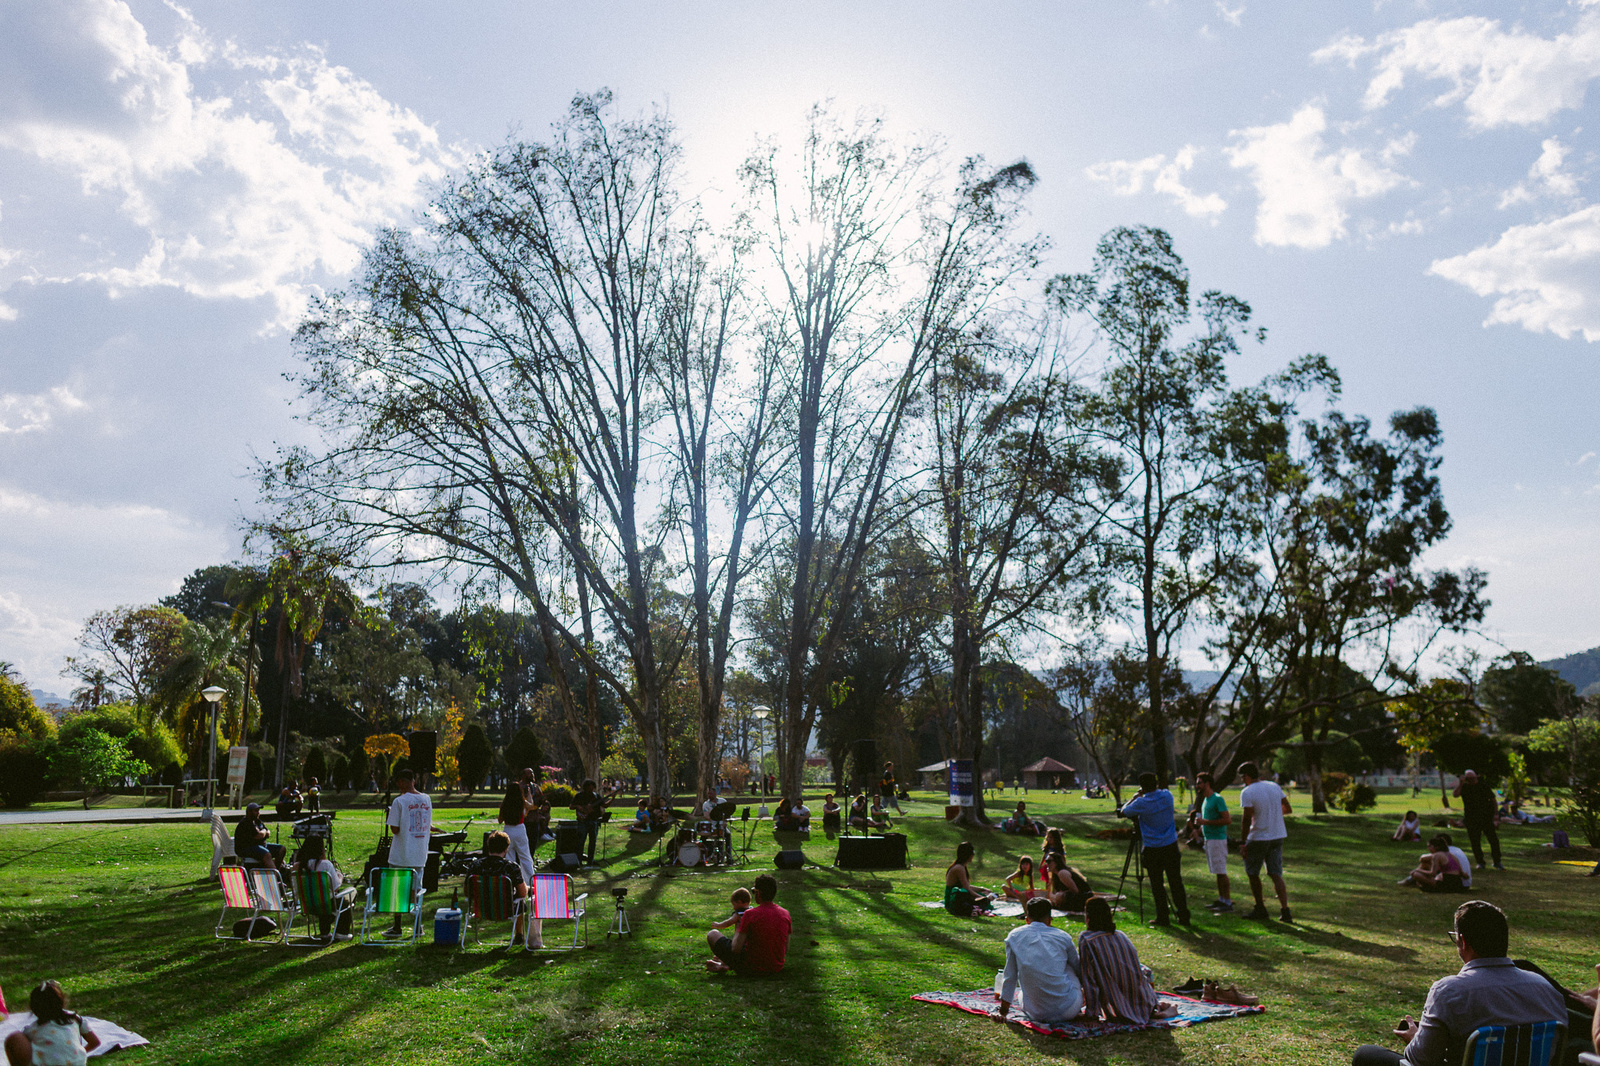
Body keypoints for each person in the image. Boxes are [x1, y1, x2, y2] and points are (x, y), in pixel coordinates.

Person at [1350, 901, 1565, 1066]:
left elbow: (1421, 1059)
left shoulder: (1449, 991)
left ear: (1463, 941)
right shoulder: (1545, 988)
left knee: (1366, 1055)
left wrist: (1415, 1038)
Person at [1077, 897, 1175, 1023]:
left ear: (1089, 917)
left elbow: (1089, 979)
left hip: (1120, 1009)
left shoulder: (1087, 939)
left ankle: (1163, 1009)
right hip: (1144, 1000)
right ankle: (1160, 1009)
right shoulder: (1121, 935)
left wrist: (1091, 1014)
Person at [1119, 772, 1191, 927]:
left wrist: (1134, 797)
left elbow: (1123, 812)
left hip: (1152, 848)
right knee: (1176, 882)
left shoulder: (1141, 803)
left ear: (1142, 787)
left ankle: (1163, 917)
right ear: (1156, 783)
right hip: (1170, 845)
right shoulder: (1167, 796)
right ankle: (1183, 915)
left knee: (1157, 885)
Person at [997, 896, 1085, 1024]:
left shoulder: (1014, 936)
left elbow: (1010, 975)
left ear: (1027, 919)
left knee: (1023, 989)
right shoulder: (1062, 937)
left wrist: (1003, 1012)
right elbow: (1078, 968)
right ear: (1050, 920)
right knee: (1068, 965)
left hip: (1034, 1012)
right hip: (1068, 1010)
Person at [1238, 760, 1293, 922]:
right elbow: (1287, 808)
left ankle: (1260, 908)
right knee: (1276, 873)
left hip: (1259, 837)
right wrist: (1272, 817)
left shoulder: (1247, 792)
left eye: (1242, 777)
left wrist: (1243, 842)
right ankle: (1285, 910)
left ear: (1247, 776)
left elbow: (1246, 819)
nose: (1242, 780)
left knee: (1253, 872)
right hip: (1277, 835)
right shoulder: (1273, 786)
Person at [704, 873, 792, 975]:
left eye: (754, 891)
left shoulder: (750, 914)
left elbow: (736, 949)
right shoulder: (785, 914)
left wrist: (738, 927)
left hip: (750, 968)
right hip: (775, 967)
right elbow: (786, 948)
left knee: (713, 934)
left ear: (758, 893)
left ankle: (725, 964)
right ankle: (723, 964)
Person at [385, 768, 437, 936]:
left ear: (401, 782)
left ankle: (398, 926)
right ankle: (418, 926)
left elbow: (395, 829)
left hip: (401, 854)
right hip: (419, 853)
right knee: (416, 890)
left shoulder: (399, 801)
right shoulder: (426, 799)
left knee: (398, 890)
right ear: (413, 781)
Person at [4, 980, 100, 1066]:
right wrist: (76, 1056)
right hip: (78, 1063)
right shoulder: (75, 1019)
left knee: (15, 1038)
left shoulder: (34, 1029)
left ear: (34, 1009)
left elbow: (22, 1048)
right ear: (61, 1002)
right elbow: (95, 1042)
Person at [468, 829, 534, 946]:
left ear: (489, 847)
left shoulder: (475, 866)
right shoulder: (511, 867)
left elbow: (467, 890)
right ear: (506, 849)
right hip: (505, 910)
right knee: (521, 901)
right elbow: (523, 893)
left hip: (481, 908)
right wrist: (529, 888)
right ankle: (519, 935)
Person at [291, 835, 355, 939]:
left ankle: (325, 932)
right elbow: (335, 888)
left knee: (322, 897)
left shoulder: (297, 866)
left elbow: (295, 887)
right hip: (325, 905)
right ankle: (342, 932)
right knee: (350, 893)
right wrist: (340, 877)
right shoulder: (325, 865)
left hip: (306, 904)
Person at [1194, 771, 1234, 914]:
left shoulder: (1217, 798)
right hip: (1209, 839)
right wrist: (1198, 831)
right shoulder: (1205, 799)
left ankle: (1228, 902)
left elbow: (1227, 820)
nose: (1197, 785)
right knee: (1217, 871)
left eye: (1199, 782)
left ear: (1207, 783)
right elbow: (1206, 822)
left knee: (1221, 872)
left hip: (1218, 839)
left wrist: (1205, 822)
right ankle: (1221, 899)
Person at [1453, 770, 1504, 871]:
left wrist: (1496, 816)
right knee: (1475, 841)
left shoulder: (1484, 786)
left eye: (1473, 778)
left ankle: (1497, 861)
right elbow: (1455, 794)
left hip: (1486, 817)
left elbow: (1494, 801)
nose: (1471, 780)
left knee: (1493, 840)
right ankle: (1480, 862)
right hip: (1471, 818)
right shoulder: (1464, 787)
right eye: (1469, 778)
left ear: (1476, 777)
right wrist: (1461, 783)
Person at [497, 773, 535, 886]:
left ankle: (511, 881)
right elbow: (531, 805)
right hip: (520, 829)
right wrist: (529, 795)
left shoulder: (505, 804)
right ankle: (530, 880)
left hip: (508, 830)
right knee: (525, 856)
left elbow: (499, 820)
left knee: (509, 858)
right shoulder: (521, 802)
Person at [571, 778, 616, 867]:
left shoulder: (596, 796)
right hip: (582, 821)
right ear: (585, 787)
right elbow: (571, 806)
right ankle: (578, 861)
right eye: (589, 788)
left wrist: (612, 798)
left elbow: (605, 805)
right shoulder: (579, 796)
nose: (591, 790)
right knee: (581, 842)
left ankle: (590, 861)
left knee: (592, 842)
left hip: (594, 821)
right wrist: (579, 807)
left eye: (592, 788)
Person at [1399, 835, 1466, 893]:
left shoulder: (1437, 855)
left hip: (1447, 884)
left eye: (1429, 846)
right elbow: (1462, 873)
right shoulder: (1451, 855)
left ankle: (1415, 881)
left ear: (1436, 847)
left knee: (1415, 874)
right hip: (1458, 884)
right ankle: (1416, 882)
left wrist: (1417, 870)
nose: (1428, 848)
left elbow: (1432, 873)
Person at [945, 841, 996, 916]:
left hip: (959, 894)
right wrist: (982, 897)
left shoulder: (962, 867)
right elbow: (967, 889)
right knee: (986, 903)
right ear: (968, 855)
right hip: (953, 899)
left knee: (983, 895)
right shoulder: (959, 868)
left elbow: (965, 886)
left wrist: (982, 889)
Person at [233, 803, 285, 869]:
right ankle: (274, 875)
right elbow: (259, 836)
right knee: (267, 854)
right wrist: (264, 832)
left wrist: (264, 832)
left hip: (260, 846)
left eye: (258, 810)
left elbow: (268, 832)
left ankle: (276, 869)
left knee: (281, 849)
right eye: (256, 811)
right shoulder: (246, 823)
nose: (258, 813)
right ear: (249, 812)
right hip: (246, 848)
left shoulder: (257, 821)